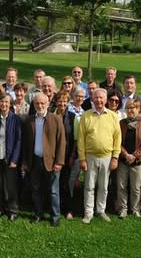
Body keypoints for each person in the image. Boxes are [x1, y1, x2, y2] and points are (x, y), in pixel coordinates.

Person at [21, 93, 66, 226]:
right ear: (34, 104)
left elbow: (61, 142)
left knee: (53, 191)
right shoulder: (29, 120)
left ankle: (55, 217)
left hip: (51, 162)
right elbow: (25, 143)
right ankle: (38, 214)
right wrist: (25, 161)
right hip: (34, 160)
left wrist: (59, 162)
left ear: (48, 104)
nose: (40, 106)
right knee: (35, 190)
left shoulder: (56, 119)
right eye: (37, 103)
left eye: (42, 103)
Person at [77, 88, 120, 224]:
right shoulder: (86, 116)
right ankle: (88, 212)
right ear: (92, 99)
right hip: (90, 157)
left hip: (107, 157)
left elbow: (117, 138)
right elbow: (81, 139)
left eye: (101, 98)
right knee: (89, 186)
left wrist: (115, 157)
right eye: (96, 98)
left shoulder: (113, 116)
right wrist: (82, 158)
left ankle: (101, 210)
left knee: (104, 187)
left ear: (106, 100)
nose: (99, 100)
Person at [0, 94, 21, 221]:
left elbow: (18, 141)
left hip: (9, 157)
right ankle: (0, 208)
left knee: (11, 186)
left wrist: (14, 159)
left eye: (7, 102)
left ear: (10, 104)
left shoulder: (16, 119)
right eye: (2, 101)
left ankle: (13, 210)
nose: (4, 104)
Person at [117, 99, 141, 219]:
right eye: (128, 108)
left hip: (138, 161)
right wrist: (126, 154)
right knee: (121, 186)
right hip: (123, 160)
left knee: (136, 188)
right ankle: (123, 209)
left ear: (138, 109)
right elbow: (117, 141)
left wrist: (134, 155)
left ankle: (135, 209)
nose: (130, 110)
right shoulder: (121, 123)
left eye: (133, 108)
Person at [52, 91, 79, 219]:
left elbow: (75, 139)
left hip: (67, 155)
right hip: (52, 154)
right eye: (60, 101)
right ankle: (54, 207)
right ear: (56, 102)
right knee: (53, 182)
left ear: (68, 102)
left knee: (65, 182)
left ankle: (68, 209)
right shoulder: (50, 115)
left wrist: (72, 155)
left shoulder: (73, 117)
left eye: (65, 101)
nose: (62, 103)